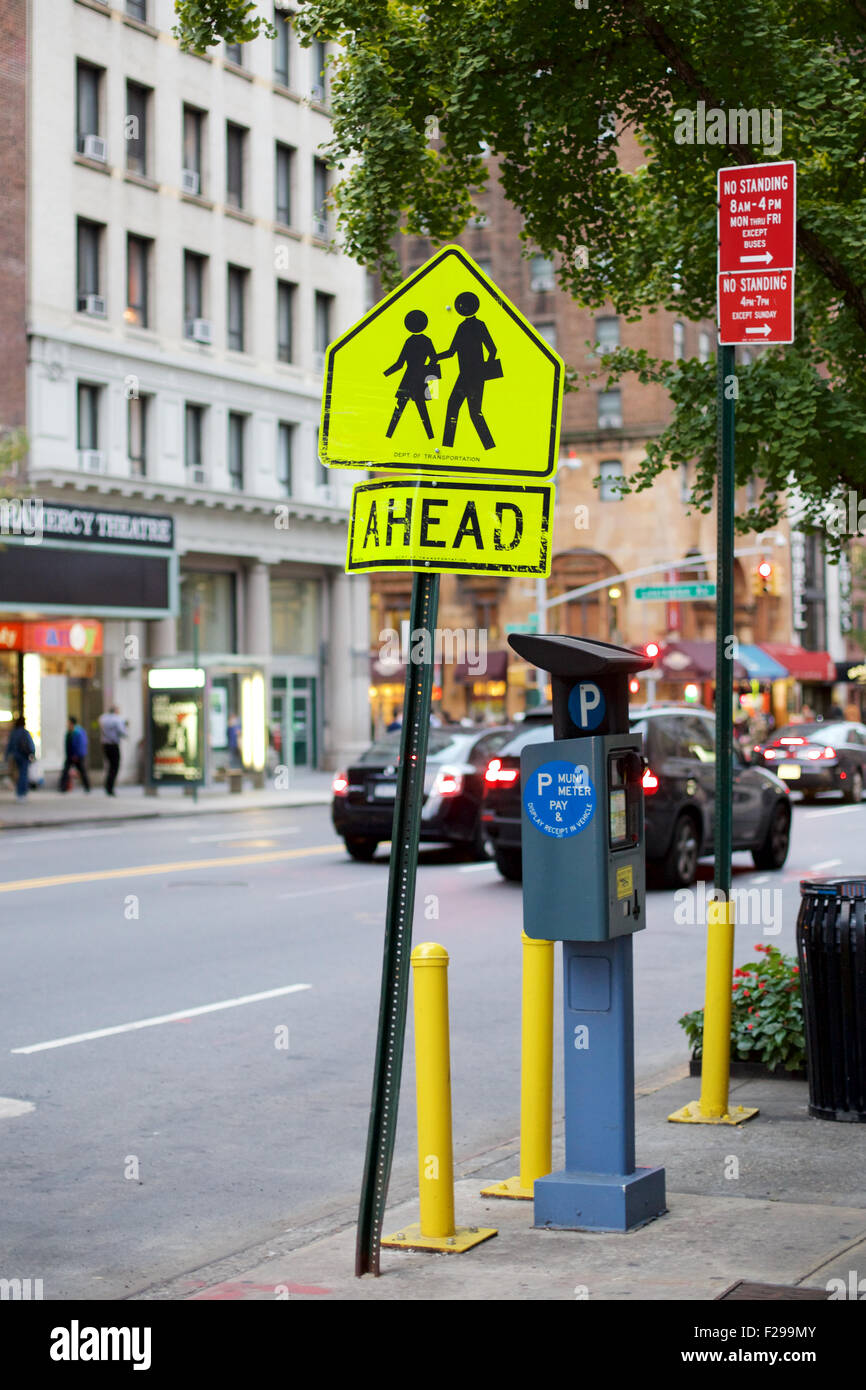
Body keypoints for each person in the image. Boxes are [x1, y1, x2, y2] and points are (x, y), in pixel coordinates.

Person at [436, 290, 499, 450]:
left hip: (475, 377)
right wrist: (436, 357)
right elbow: (451, 352)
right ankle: (447, 447)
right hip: (464, 376)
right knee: (453, 406)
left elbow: (492, 349)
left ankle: (489, 447)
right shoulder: (462, 327)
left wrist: (484, 369)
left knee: (474, 412)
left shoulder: (479, 325)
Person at [383, 310, 439, 440]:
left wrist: (385, 374)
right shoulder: (427, 341)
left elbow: (399, 364)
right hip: (421, 378)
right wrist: (426, 371)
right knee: (422, 410)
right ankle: (431, 437)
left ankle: (389, 435)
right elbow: (434, 359)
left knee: (399, 410)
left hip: (408, 378)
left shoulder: (409, 341)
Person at [99, 704, 127, 796]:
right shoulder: (117, 719)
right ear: (115, 711)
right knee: (114, 767)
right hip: (114, 744)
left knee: (110, 766)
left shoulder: (103, 718)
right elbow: (123, 732)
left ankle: (107, 786)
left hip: (105, 744)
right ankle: (110, 787)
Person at [5, 715, 35, 800]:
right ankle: (22, 793)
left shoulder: (13, 733)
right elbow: (31, 745)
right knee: (23, 774)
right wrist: (33, 754)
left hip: (15, 756)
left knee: (18, 775)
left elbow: (9, 745)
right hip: (24, 756)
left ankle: (19, 793)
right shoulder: (25, 732)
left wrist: (6, 757)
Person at [60, 716, 90, 792]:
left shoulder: (78, 731)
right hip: (70, 755)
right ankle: (63, 787)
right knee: (65, 771)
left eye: (68, 722)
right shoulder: (69, 731)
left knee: (82, 771)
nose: (67, 724)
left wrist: (77, 754)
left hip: (77, 756)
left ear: (71, 723)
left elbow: (81, 744)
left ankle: (87, 787)